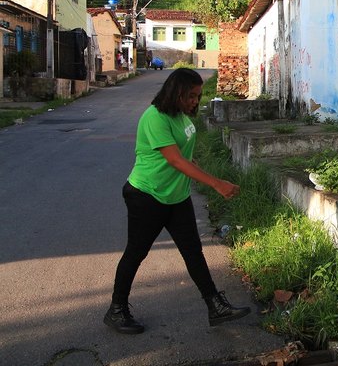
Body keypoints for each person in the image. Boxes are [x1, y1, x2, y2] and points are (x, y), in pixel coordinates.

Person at [104, 68, 250, 334]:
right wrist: (217, 183)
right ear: (176, 93)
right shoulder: (155, 117)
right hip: (147, 195)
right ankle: (116, 310)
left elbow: (178, 152)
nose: (195, 101)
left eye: (198, 96)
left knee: (193, 251)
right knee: (136, 253)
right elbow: (173, 159)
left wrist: (188, 161)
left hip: (176, 195)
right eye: (191, 96)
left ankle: (215, 306)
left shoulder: (179, 115)